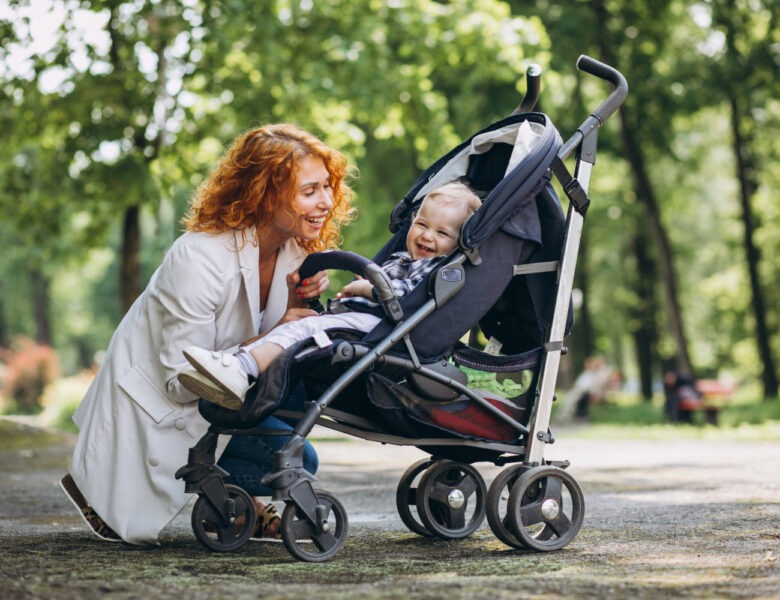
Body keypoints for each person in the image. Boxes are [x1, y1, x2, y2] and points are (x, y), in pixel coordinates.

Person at [59, 124, 355, 546]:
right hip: (162, 409)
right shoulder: (198, 258)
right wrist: (285, 329)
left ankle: (237, 505)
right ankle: (109, 486)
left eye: (328, 187)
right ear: (265, 193)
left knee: (297, 449)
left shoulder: (296, 250)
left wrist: (292, 306)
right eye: (310, 191)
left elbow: (265, 345)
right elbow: (181, 381)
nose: (326, 201)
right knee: (294, 458)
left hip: (220, 399)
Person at [177, 181, 482, 410]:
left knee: (303, 328)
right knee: (300, 326)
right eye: (421, 224)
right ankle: (232, 366)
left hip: (382, 329)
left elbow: (402, 295)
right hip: (362, 320)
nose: (427, 236)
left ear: (459, 243)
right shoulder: (404, 258)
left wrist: (366, 288)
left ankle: (240, 369)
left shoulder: (438, 269)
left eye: (442, 233)